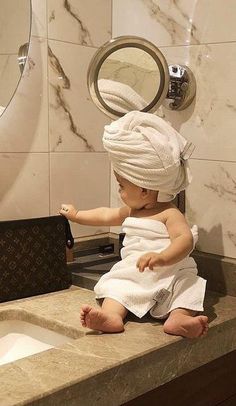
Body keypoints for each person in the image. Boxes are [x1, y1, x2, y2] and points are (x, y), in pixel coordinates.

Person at [60, 111, 208, 339]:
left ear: (145, 190)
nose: (119, 192)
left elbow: (184, 240)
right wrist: (77, 215)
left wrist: (163, 258)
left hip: (171, 271)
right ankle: (111, 316)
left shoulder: (170, 213)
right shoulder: (132, 211)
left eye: (121, 186)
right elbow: (104, 215)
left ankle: (179, 318)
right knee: (117, 285)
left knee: (187, 286)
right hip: (136, 272)